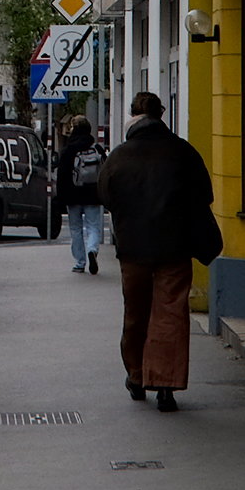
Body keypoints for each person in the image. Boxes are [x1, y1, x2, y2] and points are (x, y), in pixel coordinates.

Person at [98, 91, 221, 411]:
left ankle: (137, 376)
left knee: (135, 314)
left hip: (133, 251)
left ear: (132, 116)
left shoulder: (119, 157)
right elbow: (204, 195)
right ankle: (166, 385)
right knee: (170, 314)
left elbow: (106, 197)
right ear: (161, 114)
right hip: (174, 248)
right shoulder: (183, 153)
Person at [56, 115, 107, 275]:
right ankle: (92, 249)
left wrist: (61, 197)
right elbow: (105, 171)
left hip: (73, 195)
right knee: (93, 226)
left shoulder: (68, 150)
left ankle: (80, 262)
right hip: (93, 194)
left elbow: (62, 175)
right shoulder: (97, 149)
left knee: (76, 228)